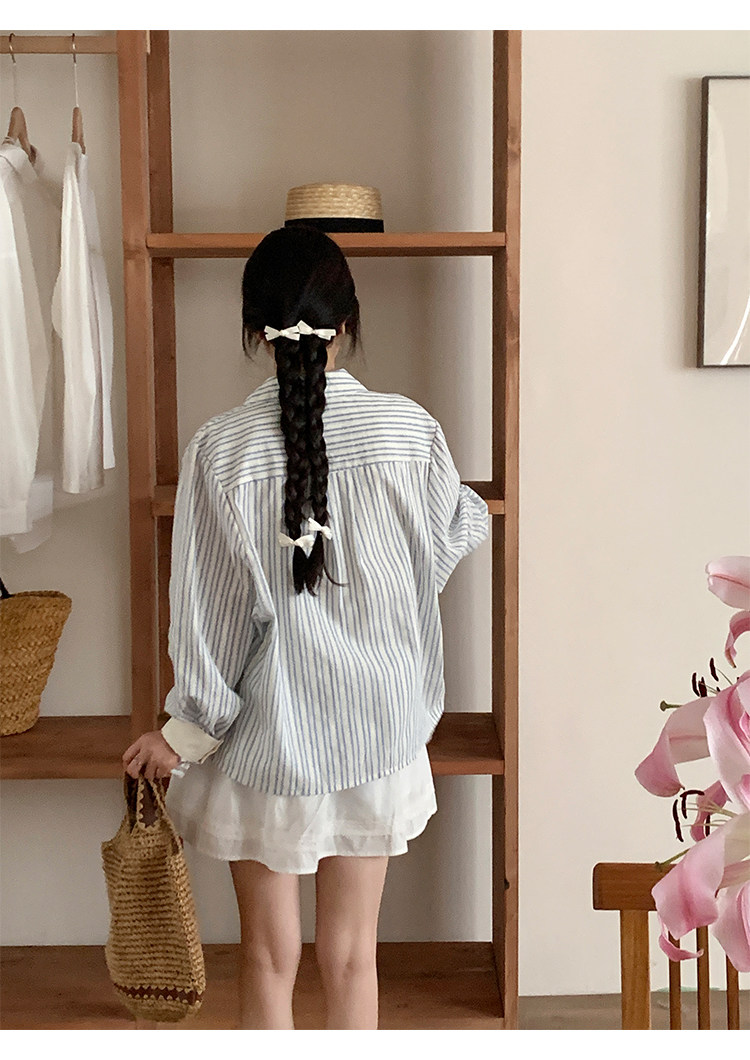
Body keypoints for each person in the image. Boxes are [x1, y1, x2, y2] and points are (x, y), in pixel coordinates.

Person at [121, 225, 489, 1030]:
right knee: (354, 957)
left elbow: (212, 619)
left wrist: (182, 735)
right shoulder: (410, 432)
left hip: (269, 744)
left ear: (253, 329)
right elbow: (449, 537)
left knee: (266, 958)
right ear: (347, 322)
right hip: (380, 734)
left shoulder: (219, 453)